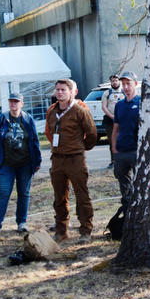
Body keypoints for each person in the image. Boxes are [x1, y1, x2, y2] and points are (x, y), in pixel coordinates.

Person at [45, 78, 97, 243]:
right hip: (57, 159)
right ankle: (61, 230)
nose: (60, 93)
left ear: (71, 92)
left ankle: (85, 230)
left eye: (63, 90)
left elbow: (92, 133)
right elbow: (49, 132)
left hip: (75, 159)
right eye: (58, 90)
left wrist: (80, 148)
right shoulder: (52, 112)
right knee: (59, 197)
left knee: (82, 196)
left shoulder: (80, 111)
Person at [0, 93, 42, 237]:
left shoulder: (28, 119)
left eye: (16, 102)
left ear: (21, 104)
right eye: (11, 101)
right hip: (6, 164)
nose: (13, 104)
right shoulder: (2, 118)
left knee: (24, 193)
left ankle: (22, 222)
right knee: (4, 193)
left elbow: (35, 140)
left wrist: (37, 160)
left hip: (25, 164)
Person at [112, 71, 141, 214]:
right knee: (124, 185)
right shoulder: (119, 105)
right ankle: (127, 213)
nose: (125, 87)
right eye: (123, 84)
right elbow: (116, 129)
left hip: (136, 150)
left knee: (140, 183)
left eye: (128, 83)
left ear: (135, 84)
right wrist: (114, 149)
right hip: (121, 152)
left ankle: (139, 211)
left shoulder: (142, 102)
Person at [101, 74, 124, 168]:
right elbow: (104, 107)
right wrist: (112, 117)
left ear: (119, 81)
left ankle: (123, 160)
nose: (114, 82)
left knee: (124, 140)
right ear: (110, 82)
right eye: (113, 81)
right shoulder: (107, 93)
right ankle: (114, 161)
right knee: (112, 141)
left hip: (123, 120)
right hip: (110, 120)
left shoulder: (124, 92)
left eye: (116, 80)